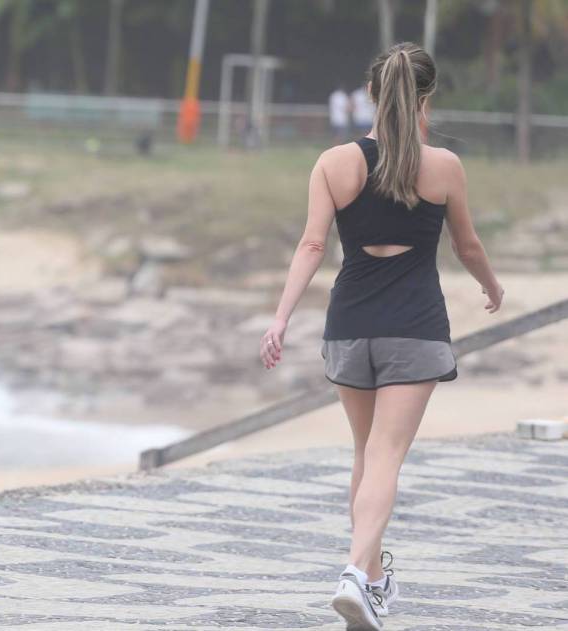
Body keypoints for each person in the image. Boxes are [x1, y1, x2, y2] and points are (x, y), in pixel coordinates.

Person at [260, 42, 503, 630]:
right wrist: (492, 286)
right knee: (386, 456)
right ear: (427, 96)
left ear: (371, 93)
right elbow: (467, 245)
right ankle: (353, 573)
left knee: (365, 454)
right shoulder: (444, 166)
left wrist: (281, 318)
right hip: (414, 329)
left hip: (349, 327)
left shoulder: (334, 162)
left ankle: (370, 583)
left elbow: (312, 245)